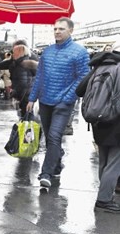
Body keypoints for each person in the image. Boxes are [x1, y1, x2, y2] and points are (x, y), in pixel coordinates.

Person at [27, 17, 90, 188]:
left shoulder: (80, 52)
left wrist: (68, 98)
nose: (57, 31)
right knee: (50, 138)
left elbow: (83, 77)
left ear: (71, 30)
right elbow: (39, 77)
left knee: (54, 136)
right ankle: (56, 163)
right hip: (45, 100)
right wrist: (32, 98)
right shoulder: (47, 52)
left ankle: (46, 173)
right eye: (55, 29)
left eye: (61, 29)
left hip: (63, 103)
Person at [75, 42, 120, 212]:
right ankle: (104, 200)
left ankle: (105, 194)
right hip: (116, 121)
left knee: (105, 161)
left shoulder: (99, 66)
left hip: (98, 121)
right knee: (115, 163)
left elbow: (79, 91)